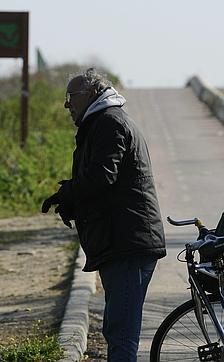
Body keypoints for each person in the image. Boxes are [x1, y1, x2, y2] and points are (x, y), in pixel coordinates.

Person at [42, 68, 166, 361]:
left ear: (93, 94)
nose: (66, 104)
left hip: (128, 244)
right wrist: (72, 201)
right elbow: (104, 183)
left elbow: (101, 177)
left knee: (121, 334)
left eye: (71, 97)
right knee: (117, 330)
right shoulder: (100, 122)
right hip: (121, 241)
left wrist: (68, 193)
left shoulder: (109, 123)